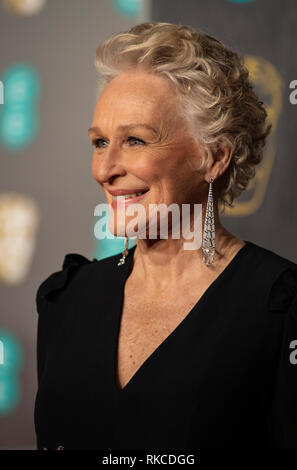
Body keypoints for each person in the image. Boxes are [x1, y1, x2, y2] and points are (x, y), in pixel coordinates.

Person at [34, 22, 297, 450]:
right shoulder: (68, 299)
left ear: (214, 157)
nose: (105, 170)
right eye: (100, 142)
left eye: (135, 140)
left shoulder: (280, 309)